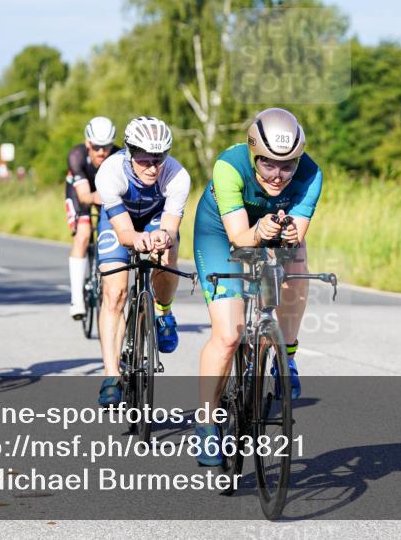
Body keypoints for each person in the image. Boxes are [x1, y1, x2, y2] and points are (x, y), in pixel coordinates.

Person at [192, 108, 323, 465]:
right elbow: (239, 237)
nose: (279, 176)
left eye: (288, 165)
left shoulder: (311, 174)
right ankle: (205, 424)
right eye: (268, 165)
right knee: (229, 335)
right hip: (221, 234)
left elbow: (295, 235)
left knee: (296, 262)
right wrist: (259, 233)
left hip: (269, 230)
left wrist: (290, 234)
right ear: (253, 155)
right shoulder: (228, 166)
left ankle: (288, 354)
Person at [94, 116, 191, 406]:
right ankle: (111, 375)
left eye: (158, 159)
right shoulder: (110, 172)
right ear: (129, 153)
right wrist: (135, 239)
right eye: (145, 160)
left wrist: (163, 237)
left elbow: (171, 228)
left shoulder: (177, 175)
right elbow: (123, 231)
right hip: (118, 221)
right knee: (115, 293)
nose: (152, 167)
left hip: (156, 217)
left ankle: (164, 311)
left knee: (167, 252)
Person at [64, 116, 117, 320]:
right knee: (84, 234)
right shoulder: (77, 156)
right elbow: (85, 197)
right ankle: (77, 299)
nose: (102, 152)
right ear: (88, 143)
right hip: (81, 194)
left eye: (106, 146)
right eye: (96, 147)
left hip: (105, 195)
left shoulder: (119, 155)